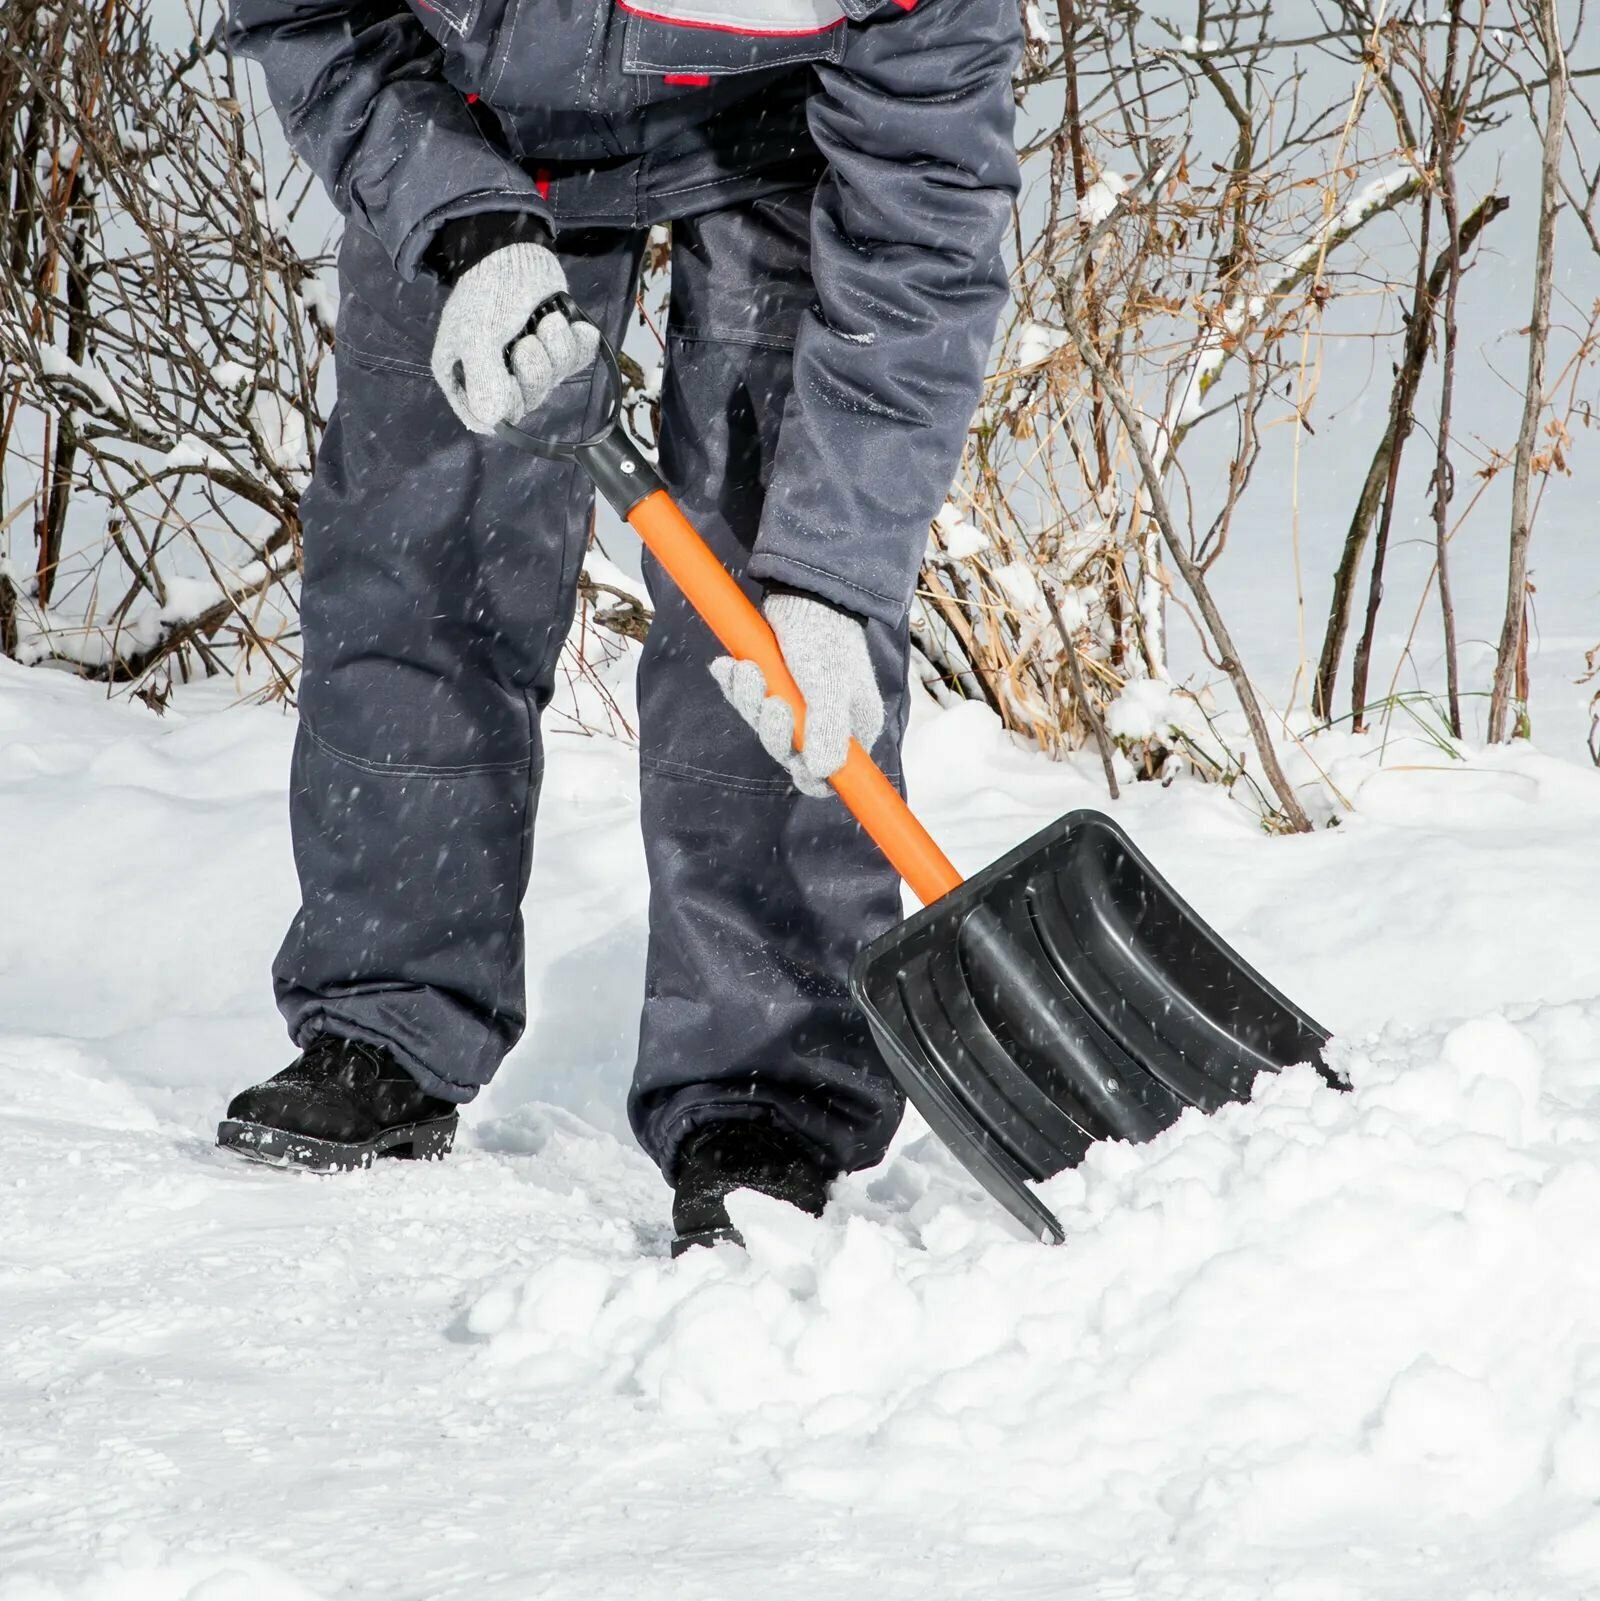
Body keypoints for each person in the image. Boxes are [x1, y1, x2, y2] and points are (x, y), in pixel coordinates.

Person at [217, 0, 1021, 1253]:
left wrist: (834, 579)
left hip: (784, 131)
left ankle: (766, 1096)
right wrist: (453, 214)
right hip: (465, 111)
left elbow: (921, 223)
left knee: (764, 612)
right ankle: (386, 1015)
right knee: (421, 554)